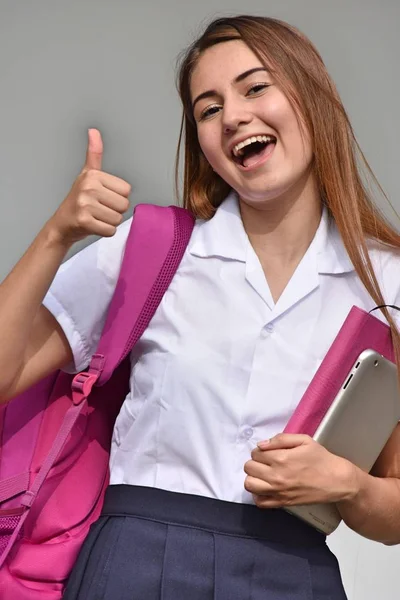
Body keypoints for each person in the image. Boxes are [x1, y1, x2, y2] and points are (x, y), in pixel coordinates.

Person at [1, 14, 400, 600]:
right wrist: (57, 234)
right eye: (208, 109)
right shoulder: (151, 247)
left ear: (313, 98)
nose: (234, 115)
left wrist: (346, 486)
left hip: (293, 575)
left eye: (255, 87)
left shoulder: (386, 281)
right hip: (136, 565)